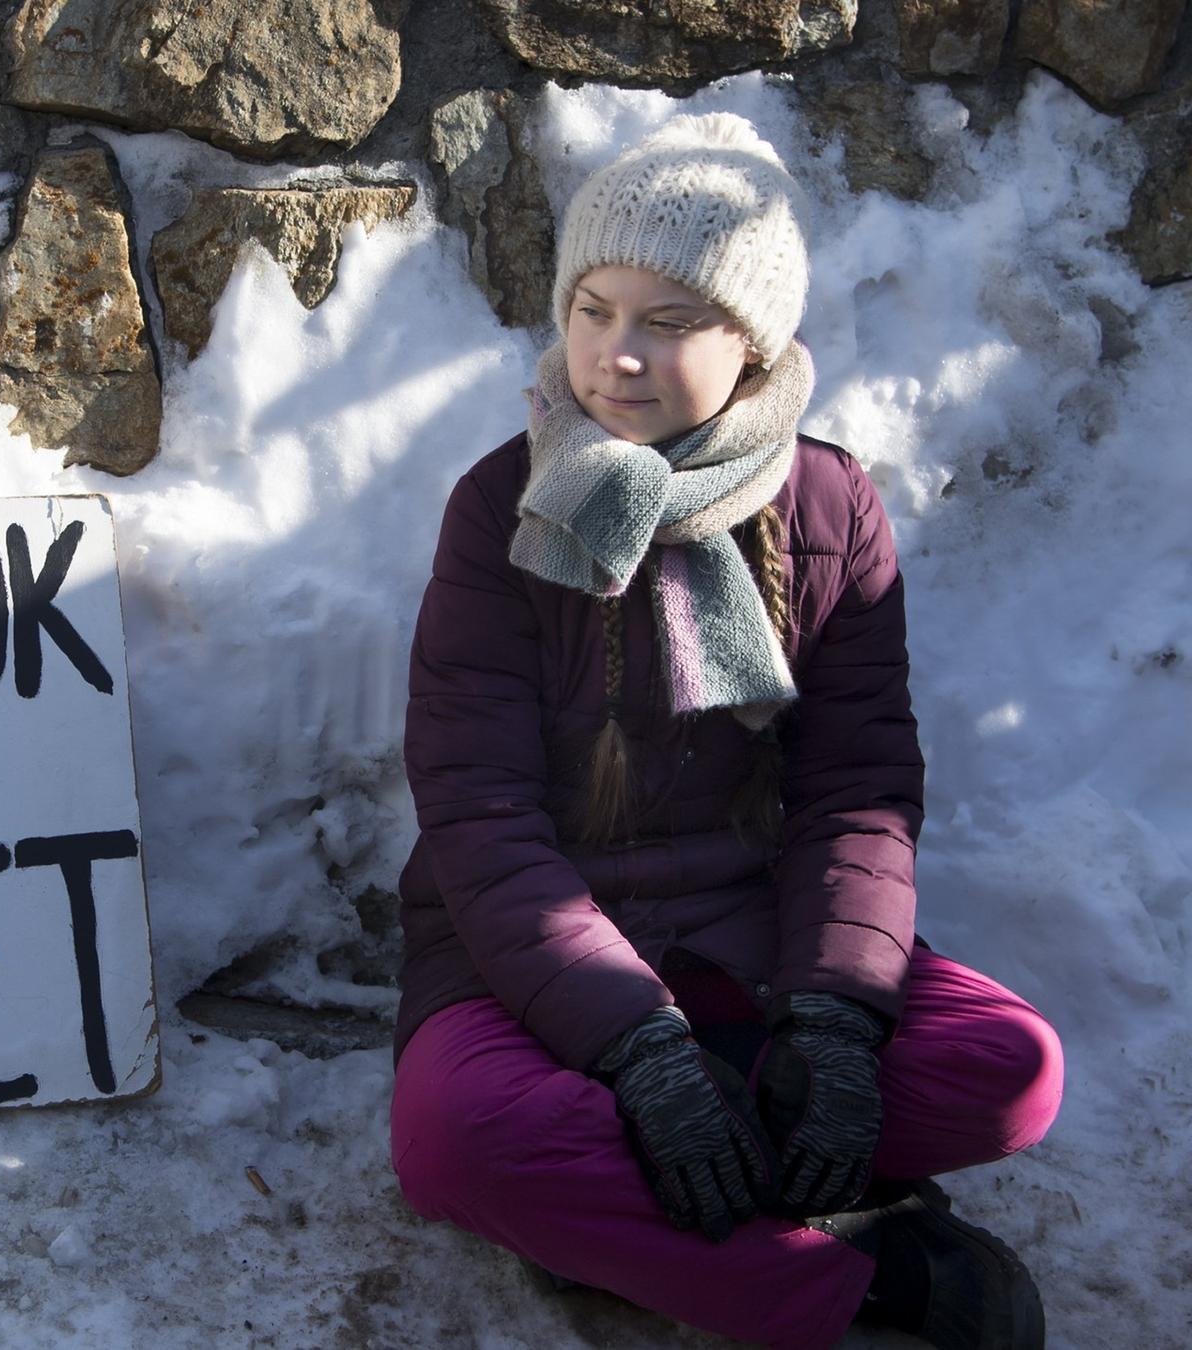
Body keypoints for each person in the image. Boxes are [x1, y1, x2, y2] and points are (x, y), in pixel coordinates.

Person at [386, 113, 1064, 1350]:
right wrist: (637, 1049)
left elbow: (855, 790)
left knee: (1010, 1067)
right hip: (532, 953)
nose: (616, 356)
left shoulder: (829, 504)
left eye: (670, 321)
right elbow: (480, 813)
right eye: (592, 309)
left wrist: (839, 1021)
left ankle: (653, 1211)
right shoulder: (502, 508)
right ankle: (869, 1270)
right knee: (454, 1147)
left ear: (751, 345)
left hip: (760, 938)